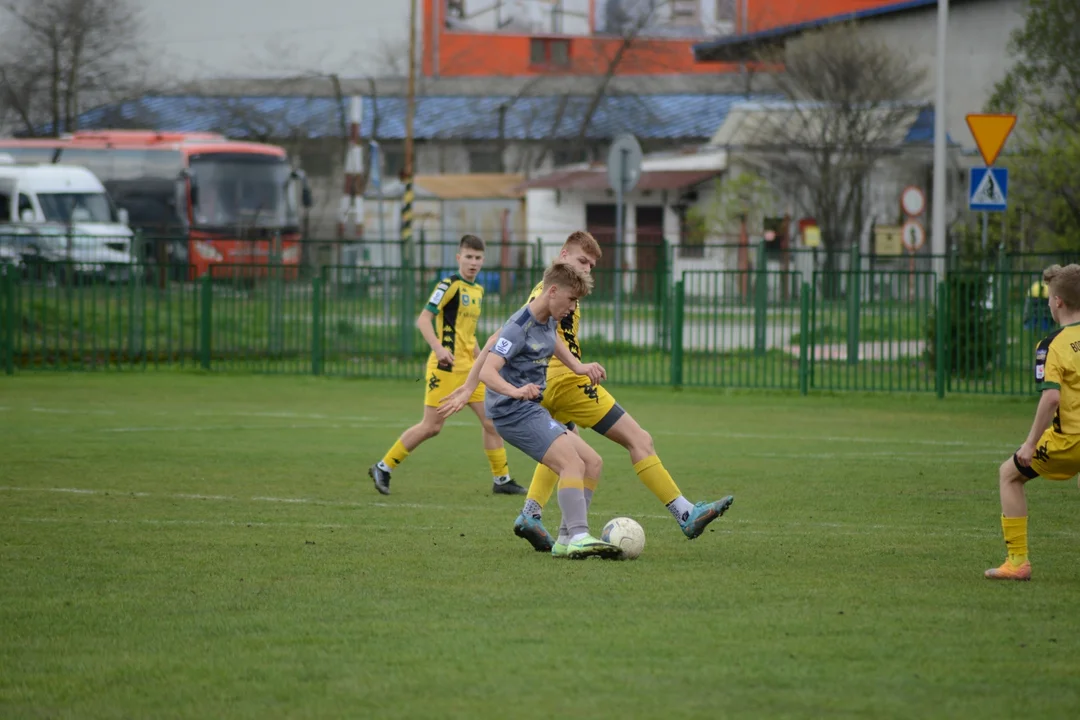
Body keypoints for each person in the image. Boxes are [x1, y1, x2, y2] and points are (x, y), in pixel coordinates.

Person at [441, 231, 734, 557]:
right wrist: (471, 385)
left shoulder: (560, 300)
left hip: (546, 386)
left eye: (591, 266)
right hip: (560, 386)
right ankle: (683, 512)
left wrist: (578, 365)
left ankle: (536, 516)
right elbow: (505, 335)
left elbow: (546, 338)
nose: (586, 270)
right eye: (582, 261)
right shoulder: (546, 295)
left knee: (574, 455)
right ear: (563, 256)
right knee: (638, 440)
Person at [478, 260, 623, 559]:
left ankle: (564, 540)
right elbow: (487, 373)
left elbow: (553, 340)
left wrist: (579, 366)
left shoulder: (548, 319)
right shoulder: (517, 328)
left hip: (531, 410)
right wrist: (516, 391)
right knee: (571, 463)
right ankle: (581, 535)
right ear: (553, 290)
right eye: (571, 300)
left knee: (592, 461)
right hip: (511, 412)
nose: (572, 308)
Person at [368, 234, 525, 496]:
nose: (473, 262)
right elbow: (423, 319)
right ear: (458, 258)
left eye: (477, 258)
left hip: (469, 370)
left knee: (491, 421)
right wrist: (438, 348)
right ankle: (383, 467)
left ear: (483, 261)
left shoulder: (478, 290)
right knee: (432, 427)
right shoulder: (449, 285)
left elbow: (469, 333)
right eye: (468, 257)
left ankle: (502, 480)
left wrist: (482, 361)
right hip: (446, 369)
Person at [986, 264, 1080, 581]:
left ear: (1056, 302)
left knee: (1009, 474)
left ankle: (1017, 561)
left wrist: (1029, 444)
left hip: (1069, 441)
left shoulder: (1051, 344)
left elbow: (1051, 398)